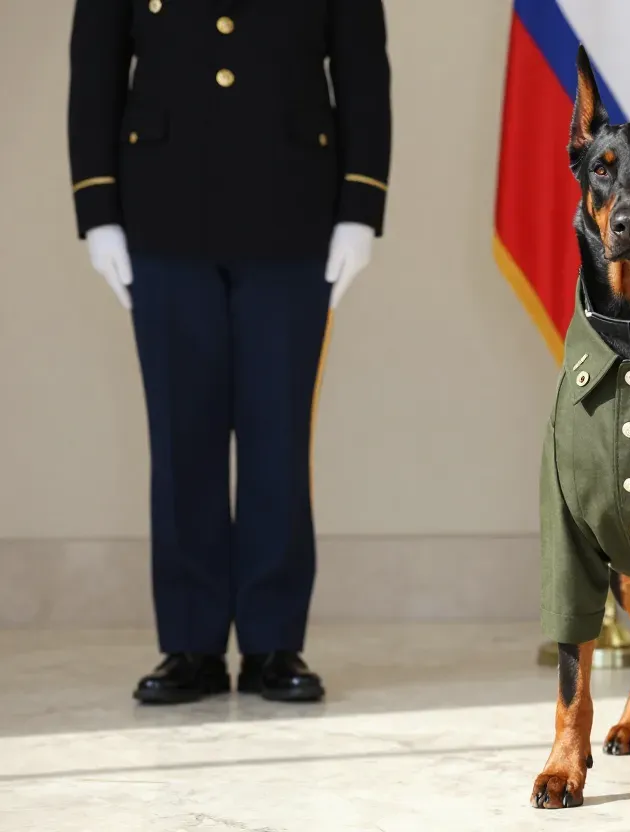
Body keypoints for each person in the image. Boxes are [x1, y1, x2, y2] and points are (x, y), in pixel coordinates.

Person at [67, 0, 392, 704]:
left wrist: (360, 206)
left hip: (293, 211)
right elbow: (94, 69)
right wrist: (98, 211)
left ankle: (275, 644)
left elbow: (363, 69)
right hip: (160, 210)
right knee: (183, 435)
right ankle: (191, 644)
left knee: (278, 437)